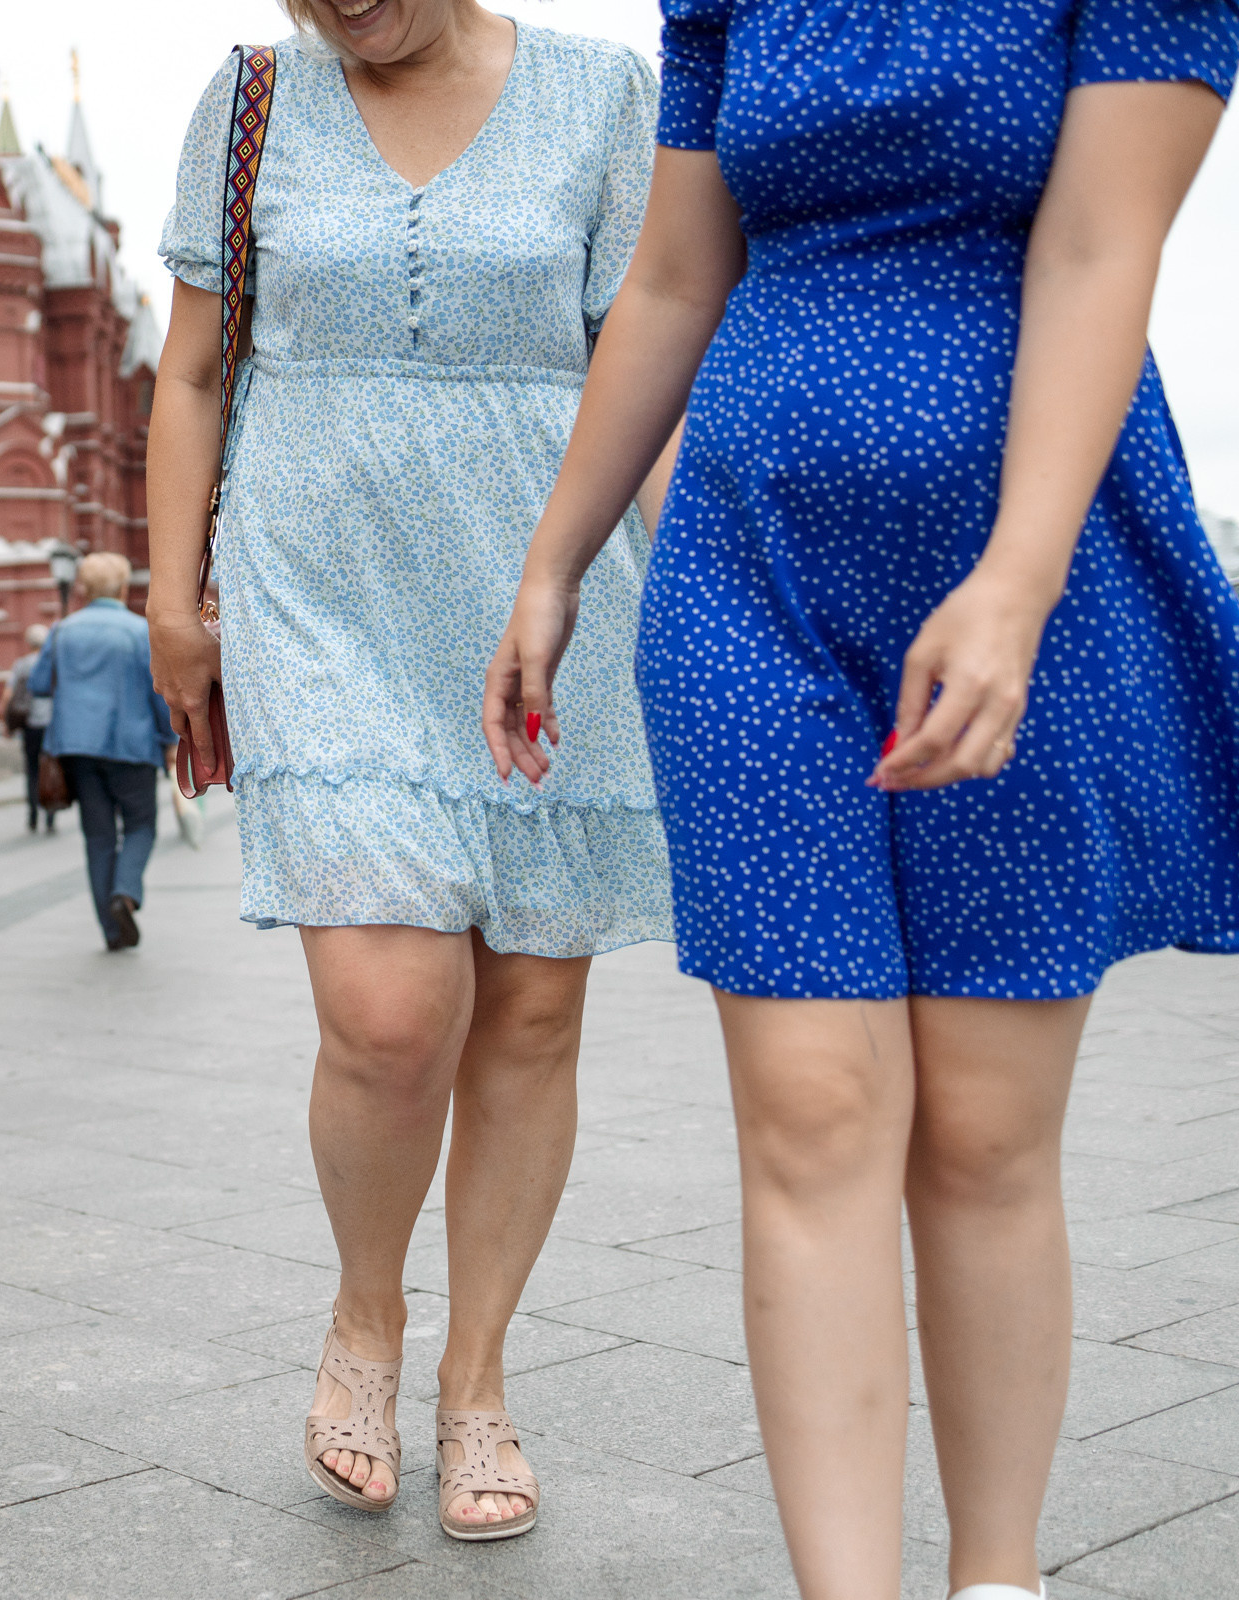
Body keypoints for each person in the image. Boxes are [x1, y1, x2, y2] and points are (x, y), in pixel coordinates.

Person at [483, 7, 1239, 1598]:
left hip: (1024, 564)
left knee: (983, 1131)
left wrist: (1016, 582)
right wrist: (556, 560)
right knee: (815, 1111)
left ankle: (997, 1577)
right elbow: (676, 275)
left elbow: (1101, 247)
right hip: (750, 571)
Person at [149, 0, 674, 1537]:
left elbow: (647, 359)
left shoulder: (603, 96)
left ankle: (478, 1376)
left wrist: (686, 594)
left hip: (552, 592)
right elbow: (191, 374)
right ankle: (365, 1314)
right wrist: (173, 604)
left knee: (532, 1009)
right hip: (321, 598)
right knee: (390, 1016)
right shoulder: (252, 100)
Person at [32, 551, 175, 951]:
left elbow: (39, 684)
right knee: (141, 826)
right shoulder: (139, 631)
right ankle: (125, 892)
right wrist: (170, 740)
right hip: (132, 745)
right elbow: (159, 691)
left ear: (84, 590)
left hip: (77, 748)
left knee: (98, 838)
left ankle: (112, 933)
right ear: (123, 588)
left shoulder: (62, 631)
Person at [2, 623, 56, 833]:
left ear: (28, 643)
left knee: (32, 770)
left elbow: (7, 695)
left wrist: (7, 724)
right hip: (51, 726)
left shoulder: (21, 665)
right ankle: (50, 815)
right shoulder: (52, 664)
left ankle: (33, 815)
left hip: (30, 726)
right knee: (50, 769)